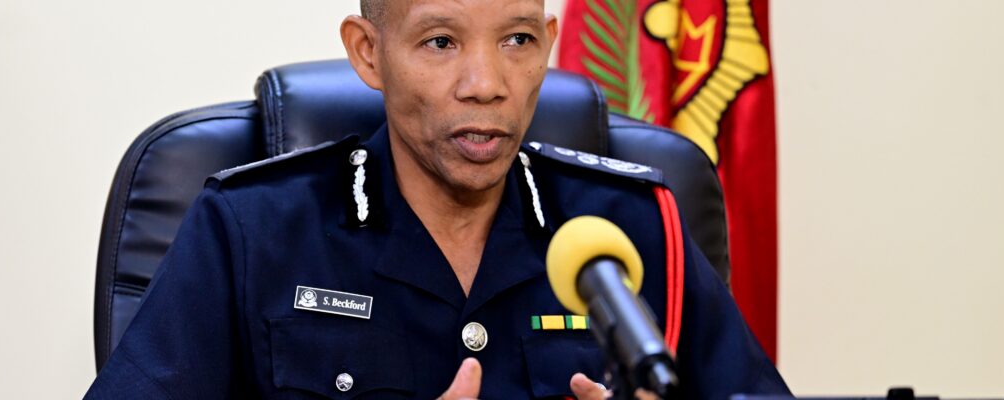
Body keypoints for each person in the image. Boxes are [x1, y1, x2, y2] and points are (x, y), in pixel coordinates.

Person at [86, 0, 788, 398]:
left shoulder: (634, 228)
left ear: (548, 45)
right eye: (441, 41)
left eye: (517, 40)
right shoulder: (251, 230)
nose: (487, 84)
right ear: (368, 52)